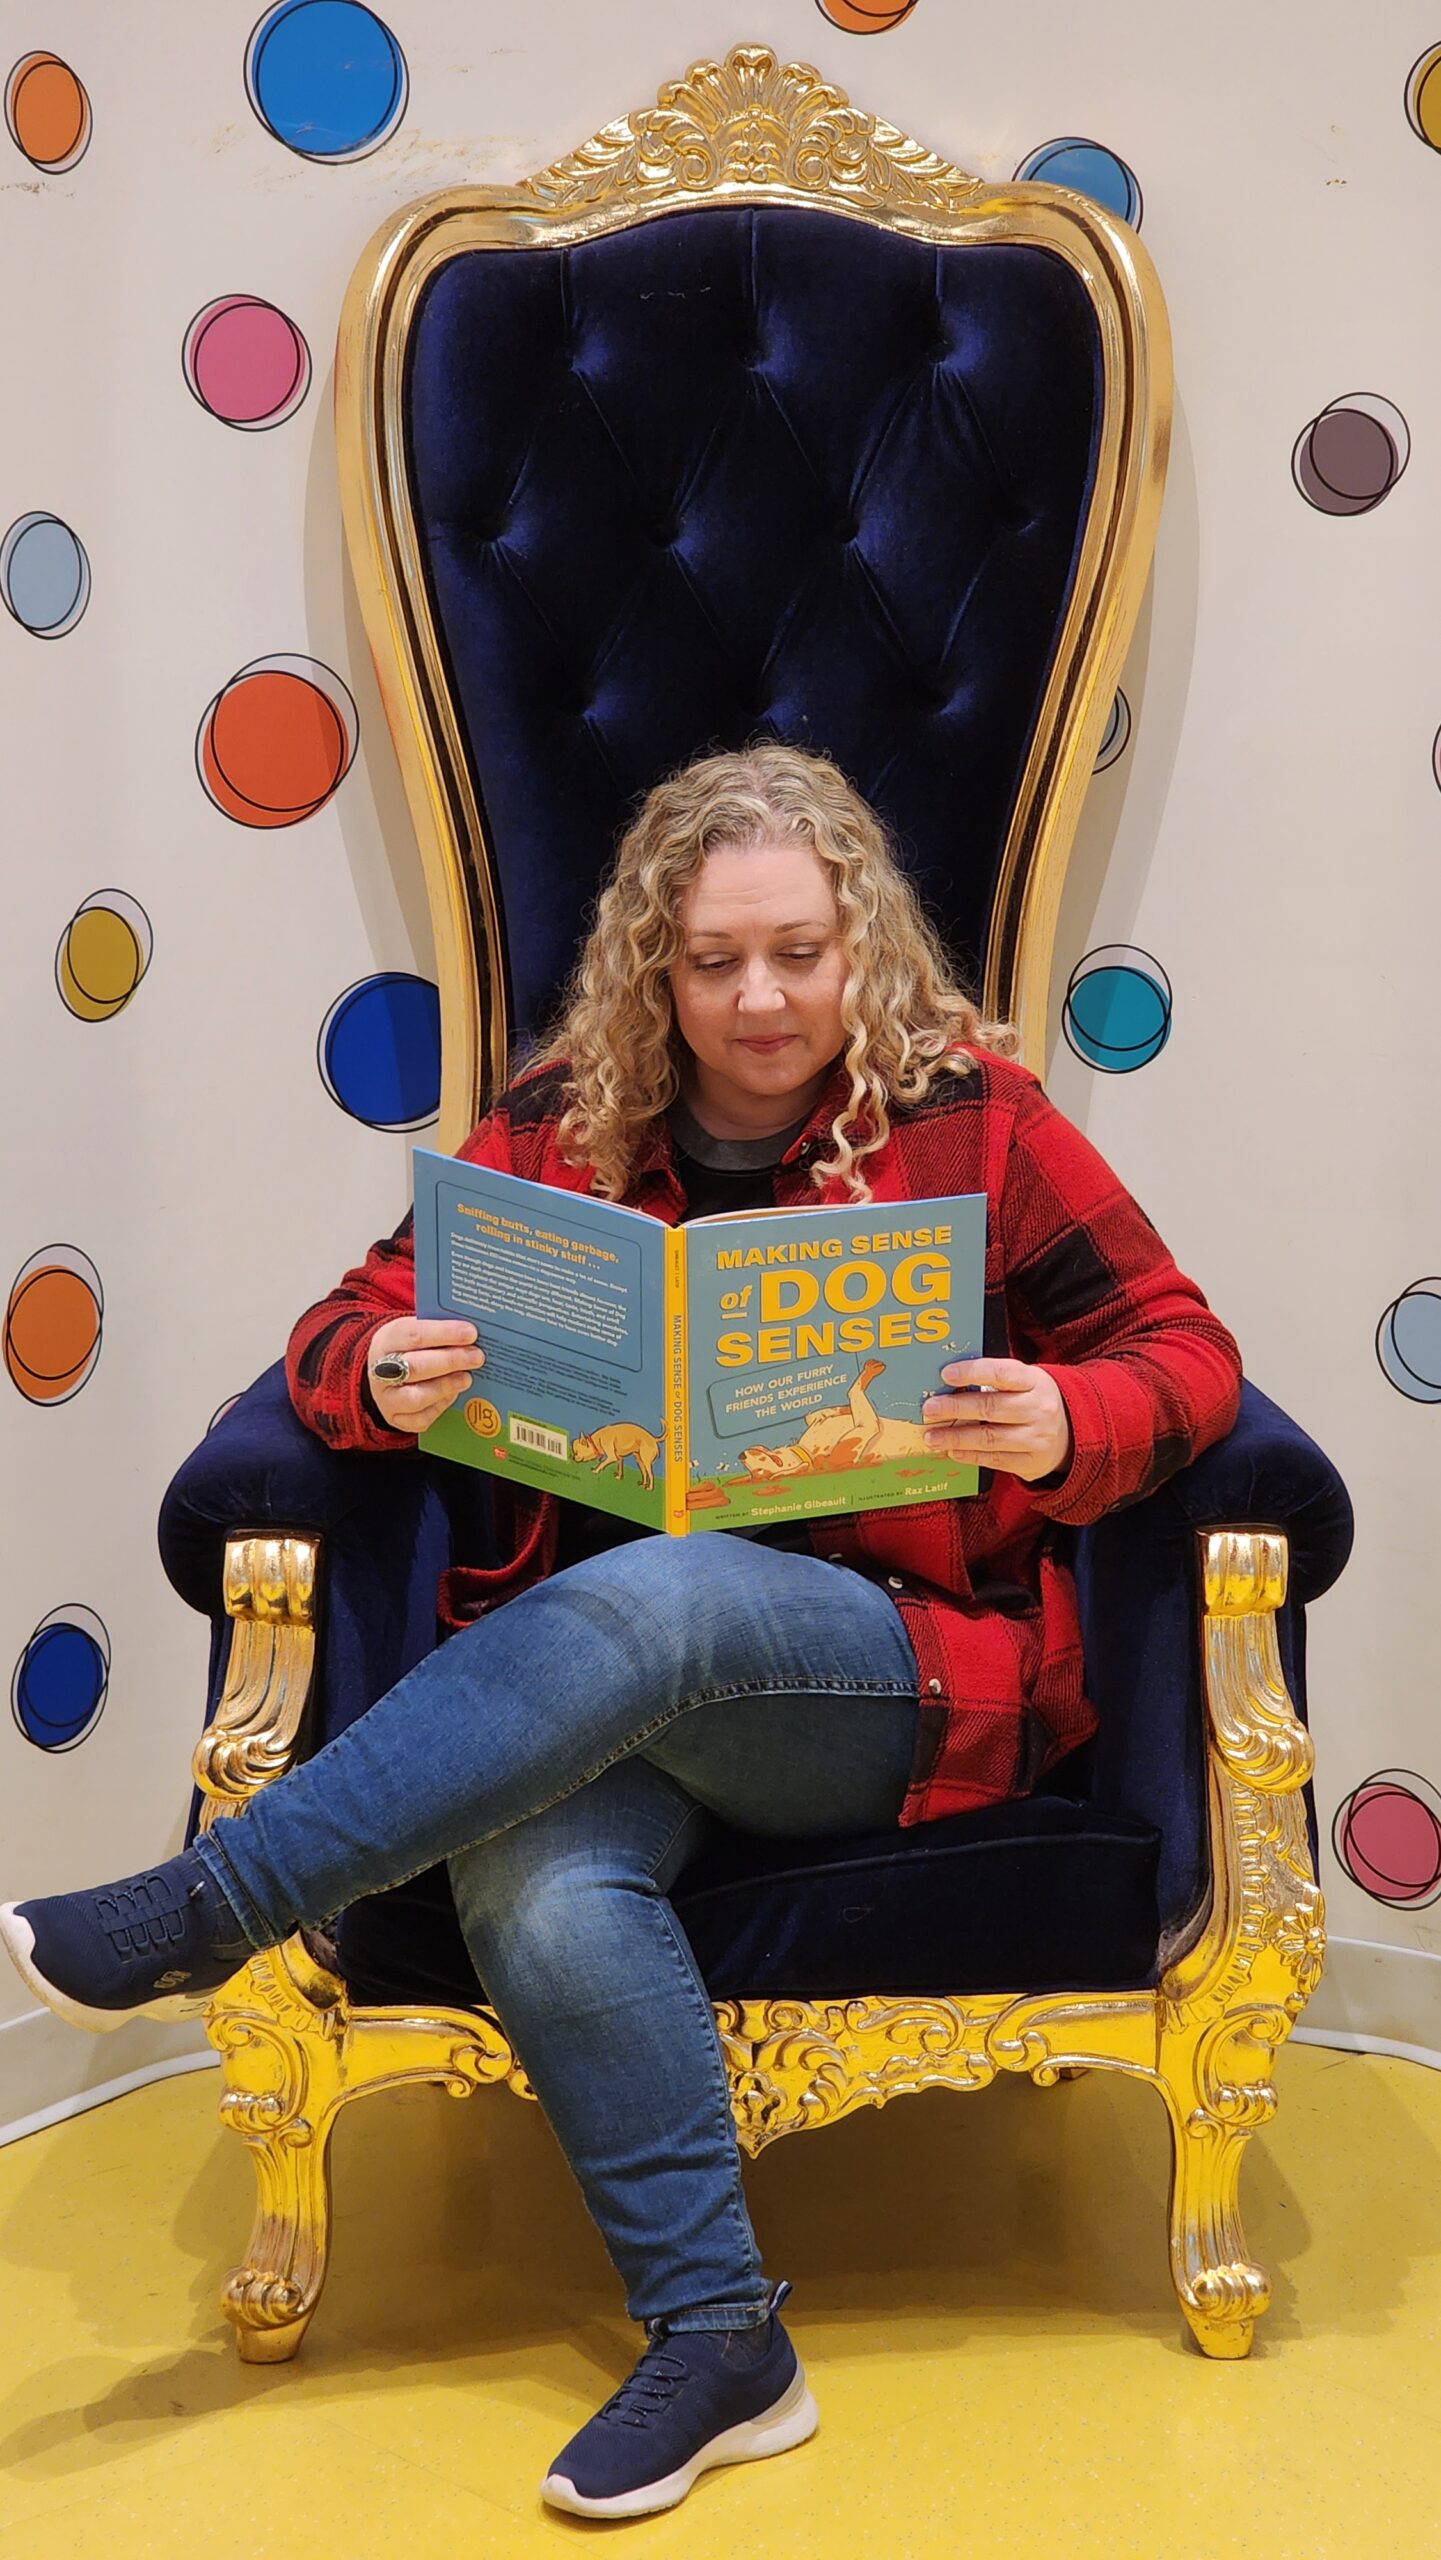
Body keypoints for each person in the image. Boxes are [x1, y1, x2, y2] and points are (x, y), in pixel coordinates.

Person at [1, 743, 1242, 2520]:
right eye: (714, 959)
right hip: (607, 1685)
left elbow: (1187, 1356)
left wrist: (1066, 1420)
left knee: (659, 1593)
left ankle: (210, 1905)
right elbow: (339, 1329)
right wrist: (389, 1373)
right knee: (534, 1870)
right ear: (654, 964)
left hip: (893, 1676)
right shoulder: (562, 1121)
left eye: (798, 954)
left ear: (860, 945)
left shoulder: (971, 1108)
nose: (759, 998)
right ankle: (723, 2339)